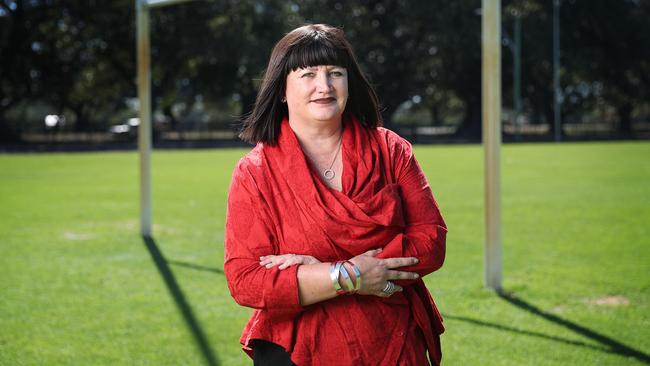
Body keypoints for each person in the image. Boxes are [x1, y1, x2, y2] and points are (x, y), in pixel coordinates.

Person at [224, 24, 447, 366]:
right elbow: (246, 280)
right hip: (297, 348)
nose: (324, 86)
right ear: (282, 90)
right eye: (308, 74)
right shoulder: (254, 172)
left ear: (349, 83)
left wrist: (317, 272)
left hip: (394, 337)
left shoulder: (391, 150)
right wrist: (346, 275)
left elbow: (430, 240)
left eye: (335, 73)